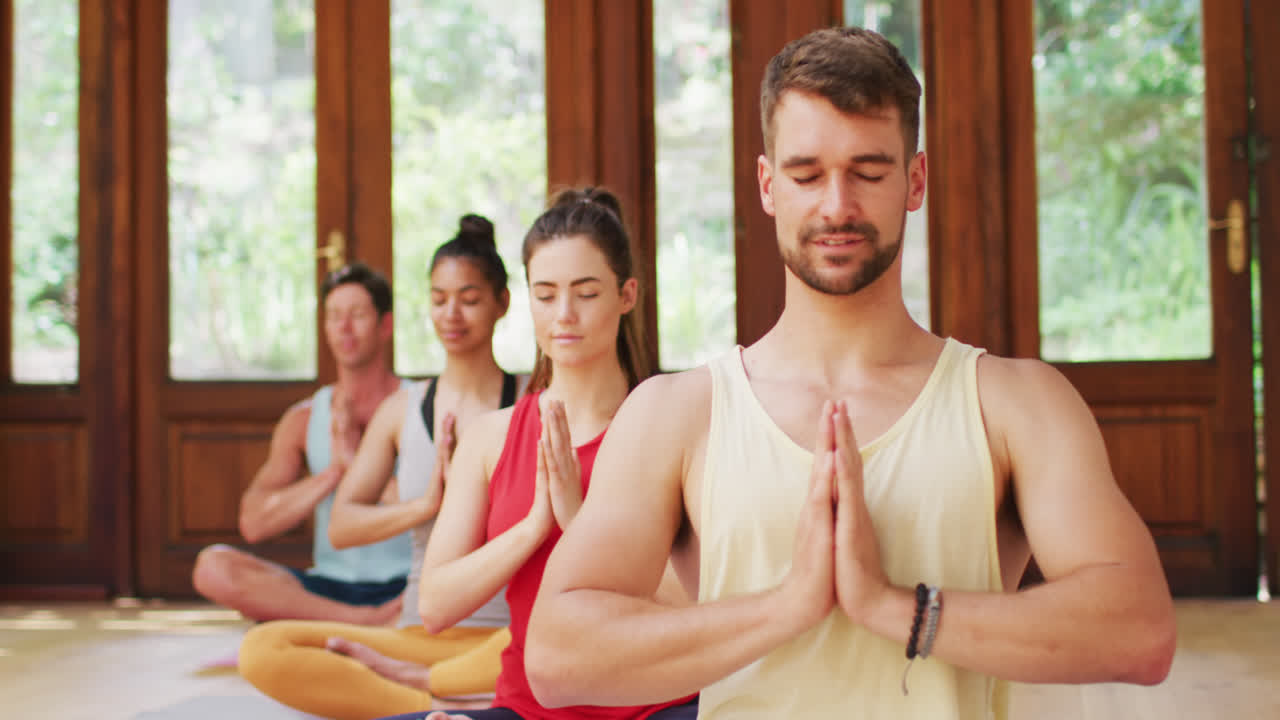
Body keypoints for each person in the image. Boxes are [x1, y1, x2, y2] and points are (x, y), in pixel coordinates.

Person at [525, 26, 1177, 720]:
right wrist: (789, 606)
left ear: (915, 180)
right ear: (768, 185)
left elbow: (1139, 632)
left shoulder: (1016, 404)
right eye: (807, 175)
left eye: (868, 171)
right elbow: (559, 659)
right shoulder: (675, 414)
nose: (837, 205)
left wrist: (893, 607)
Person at [376, 188, 697, 720]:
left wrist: (578, 524)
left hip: (658, 708)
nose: (563, 315)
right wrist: (532, 527)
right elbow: (435, 605)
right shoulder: (490, 438)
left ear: (627, 294)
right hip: (530, 709)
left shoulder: (672, 423)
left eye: (586, 293)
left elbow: (699, 603)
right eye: (545, 295)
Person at [238, 216, 528, 719]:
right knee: (264, 649)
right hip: (419, 636)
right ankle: (439, 702)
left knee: (567, 641)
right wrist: (424, 506)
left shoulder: (534, 401)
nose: (451, 314)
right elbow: (344, 525)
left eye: (470, 298)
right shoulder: (404, 410)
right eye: (439, 299)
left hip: (509, 640)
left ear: (502, 303)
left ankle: (449, 701)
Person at [192, 262, 412, 625]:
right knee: (213, 567)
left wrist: (356, 460)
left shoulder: (418, 405)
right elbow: (254, 523)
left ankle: (344, 625)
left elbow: (433, 508)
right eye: (334, 316)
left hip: (407, 584)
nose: (344, 328)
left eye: (357, 315)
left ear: (385, 325)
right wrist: (334, 472)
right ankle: (360, 621)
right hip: (330, 586)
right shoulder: (304, 419)